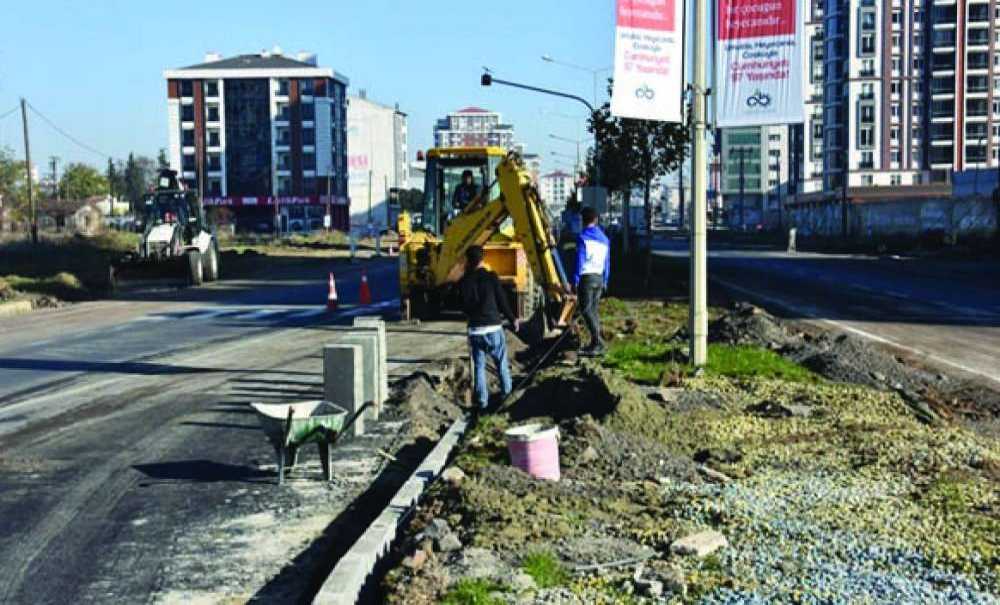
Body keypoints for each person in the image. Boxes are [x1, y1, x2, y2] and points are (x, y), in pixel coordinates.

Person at [459, 245, 519, 411]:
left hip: (475, 331)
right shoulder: (491, 277)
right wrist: (512, 319)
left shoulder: (464, 281)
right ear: (483, 259)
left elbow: (462, 306)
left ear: (468, 260)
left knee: (478, 367)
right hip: (493, 328)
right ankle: (507, 396)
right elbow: (502, 300)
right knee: (501, 362)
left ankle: (482, 403)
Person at [573, 207, 610, 356]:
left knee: (586, 310)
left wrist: (575, 279)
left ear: (583, 220)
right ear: (596, 219)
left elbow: (580, 260)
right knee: (593, 310)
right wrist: (606, 279)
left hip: (586, 278)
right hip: (599, 277)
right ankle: (595, 343)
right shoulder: (605, 239)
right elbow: (607, 262)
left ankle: (598, 342)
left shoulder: (582, 237)